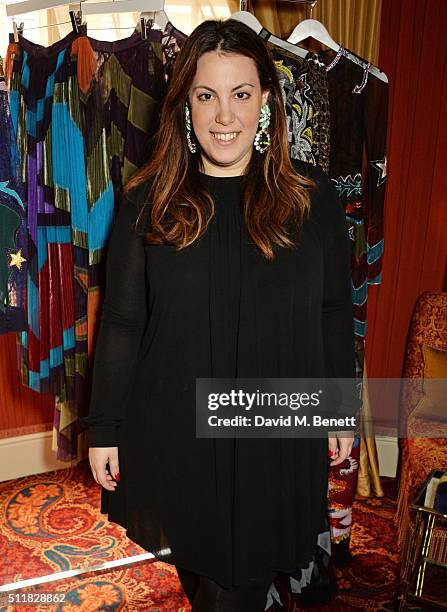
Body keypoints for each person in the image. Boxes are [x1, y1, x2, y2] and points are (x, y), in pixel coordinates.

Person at [81, 18, 357, 612]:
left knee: (235, 588)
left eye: (241, 94)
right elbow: (124, 322)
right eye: (207, 96)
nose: (224, 115)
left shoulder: (311, 198)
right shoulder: (147, 201)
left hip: (274, 430)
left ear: (266, 102)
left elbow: (334, 309)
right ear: (185, 105)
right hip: (176, 426)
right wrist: (104, 426)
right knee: (201, 567)